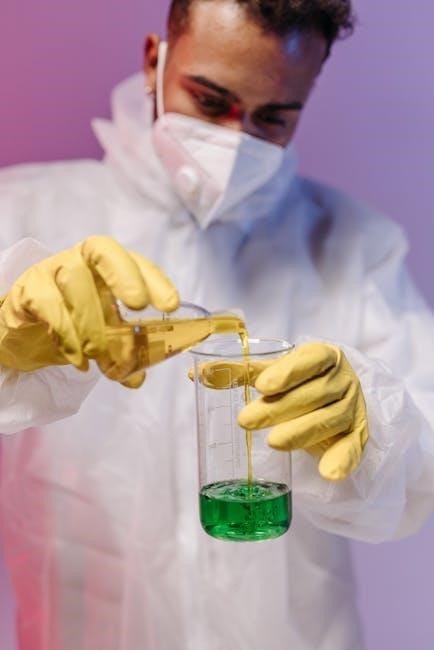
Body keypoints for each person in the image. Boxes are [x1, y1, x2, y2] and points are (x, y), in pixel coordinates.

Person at [0, 0, 433, 648]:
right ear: (154, 60)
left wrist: (374, 422)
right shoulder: (21, 213)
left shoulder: (354, 245)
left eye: (273, 117)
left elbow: (425, 462)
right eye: (209, 100)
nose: (235, 140)